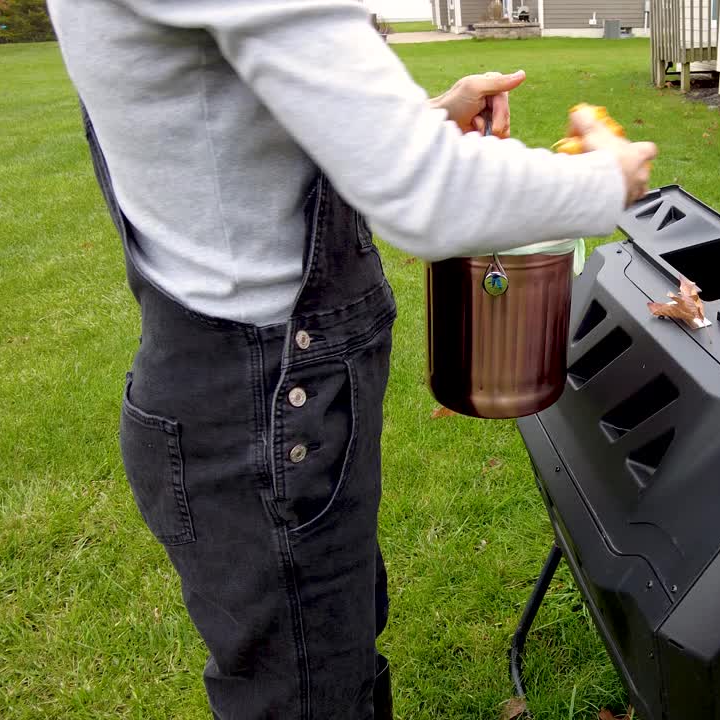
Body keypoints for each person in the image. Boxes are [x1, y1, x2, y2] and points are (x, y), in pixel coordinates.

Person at [47, 1, 658, 718]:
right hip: (269, 404)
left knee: (330, 655)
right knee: (309, 692)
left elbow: (222, 134)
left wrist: (418, 125)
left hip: (257, 389)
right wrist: (609, 179)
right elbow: (425, 197)